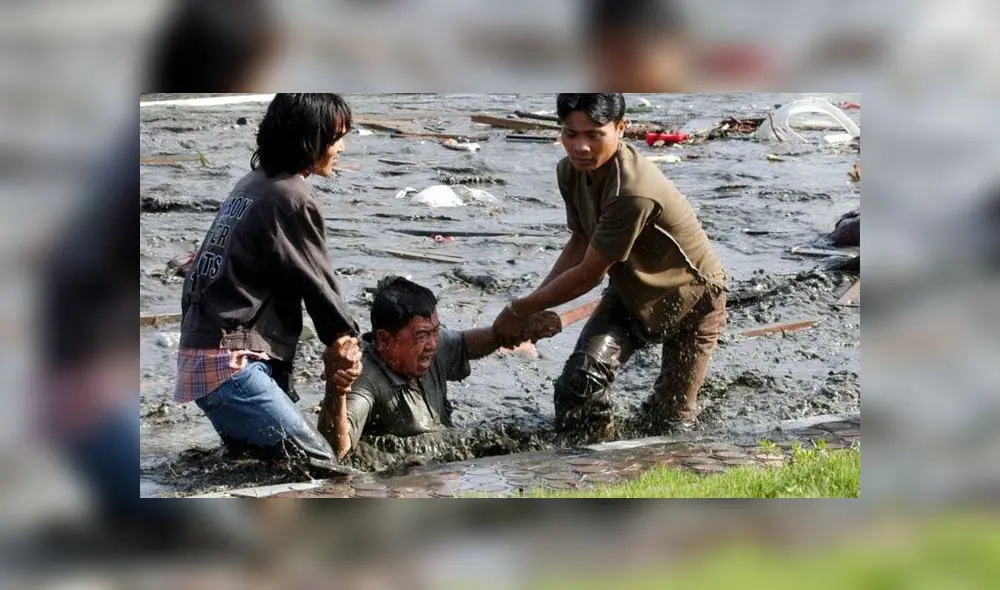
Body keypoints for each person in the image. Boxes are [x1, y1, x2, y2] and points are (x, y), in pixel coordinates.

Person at [492, 93, 727, 442]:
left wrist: (518, 309)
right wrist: (534, 306)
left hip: (692, 298)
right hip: (630, 292)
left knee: (672, 423)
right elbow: (580, 243)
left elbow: (590, 273)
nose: (581, 147)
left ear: (621, 128)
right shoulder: (569, 171)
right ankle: (593, 458)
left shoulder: (632, 191)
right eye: (570, 134)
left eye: (594, 134)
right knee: (580, 382)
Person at [175, 93, 363, 463]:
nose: (341, 148)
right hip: (230, 365)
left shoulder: (252, 183)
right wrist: (345, 339)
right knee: (320, 466)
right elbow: (318, 284)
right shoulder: (291, 196)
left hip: (202, 356)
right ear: (309, 140)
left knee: (261, 467)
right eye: (335, 138)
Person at [319, 276, 561, 459]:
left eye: (435, 331)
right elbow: (336, 453)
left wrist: (516, 330)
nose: (433, 344)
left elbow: (466, 345)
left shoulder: (434, 345)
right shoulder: (365, 378)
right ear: (384, 340)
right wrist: (336, 393)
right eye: (422, 335)